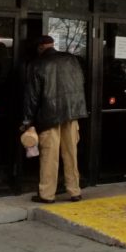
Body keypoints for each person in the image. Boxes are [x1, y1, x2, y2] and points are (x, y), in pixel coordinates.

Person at [21, 35, 88, 203]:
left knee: (49, 156)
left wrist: (27, 121)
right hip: (72, 114)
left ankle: (47, 194)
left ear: (40, 47)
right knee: (71, 153)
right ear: (52, 44)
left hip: (49, 116)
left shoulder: (37, 64)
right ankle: (74, 191)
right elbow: (81, 84)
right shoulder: (72, 60)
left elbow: (32, 96)